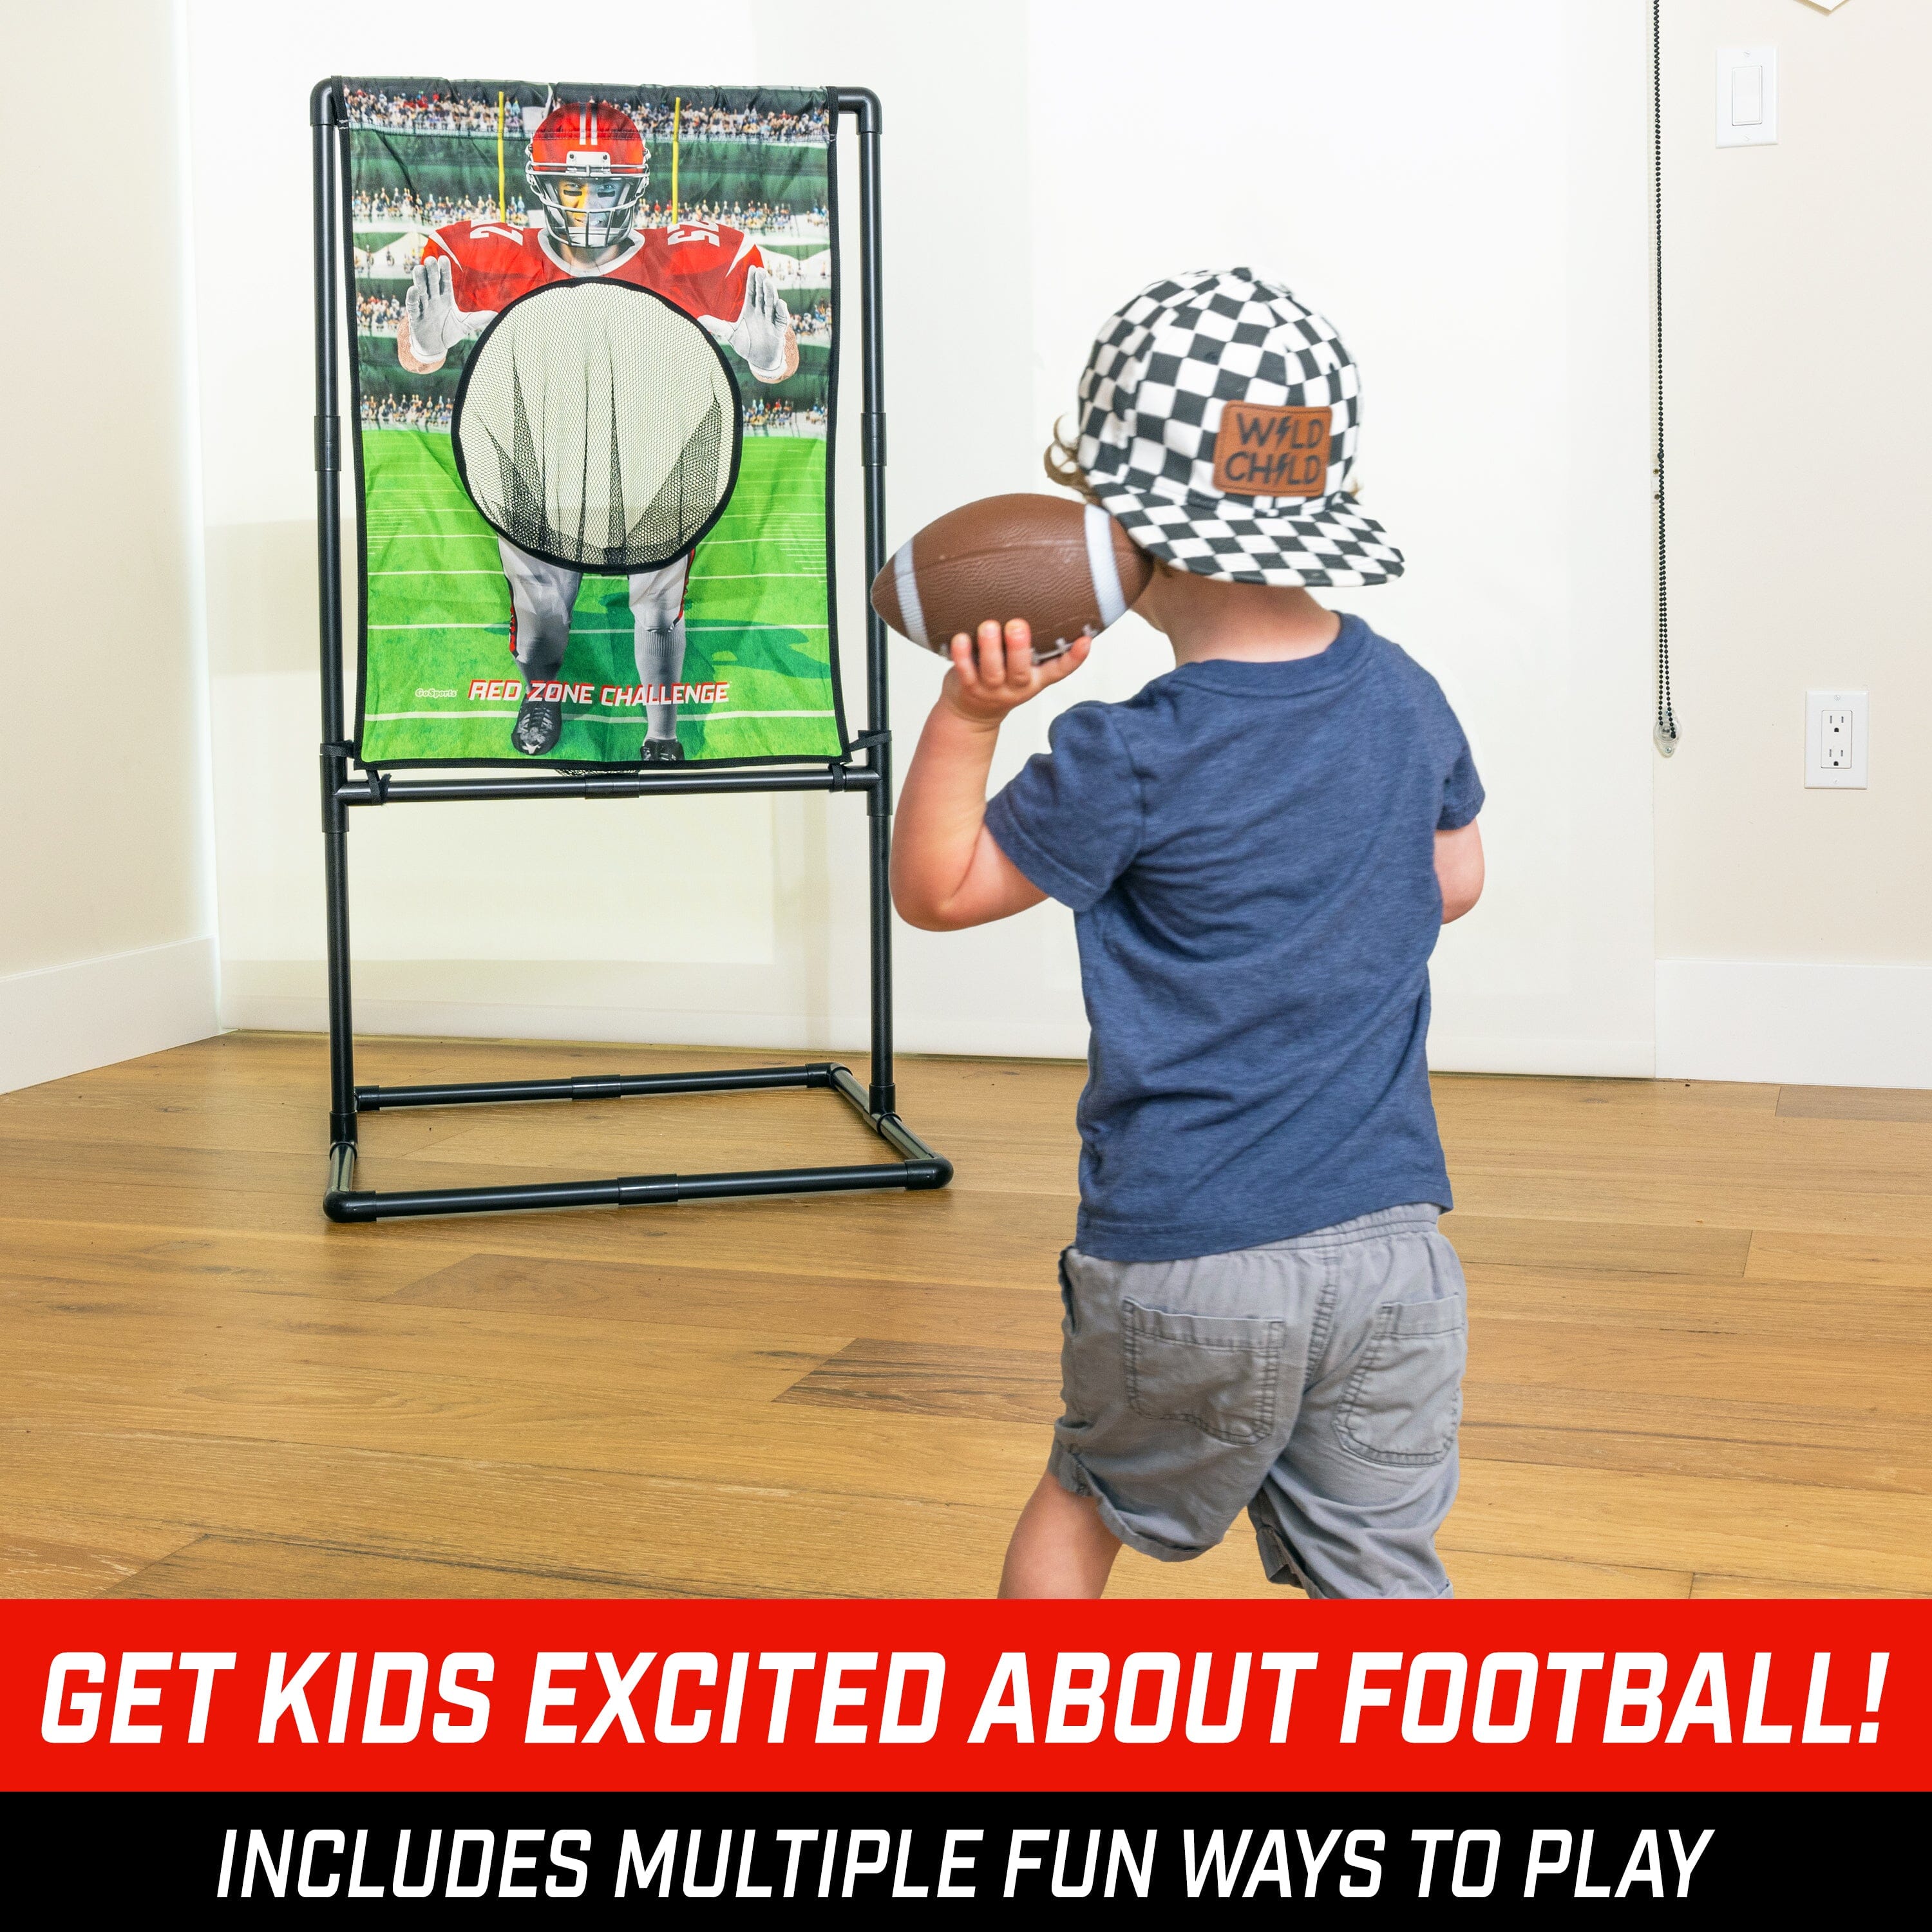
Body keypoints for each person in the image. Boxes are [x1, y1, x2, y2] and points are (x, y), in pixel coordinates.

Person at [891, 269, 1485, 1601]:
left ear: (1115, 529)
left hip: (1188, 1261)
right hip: (1397, 1256)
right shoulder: (1404, 696)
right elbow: (1456, 880)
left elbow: (938, 889)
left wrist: (970, 720)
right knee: (1378, 1571)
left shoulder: (1132, 754)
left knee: (1084, 1499)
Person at [395, 98, 797, 763]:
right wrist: (426, 346)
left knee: (659, 610)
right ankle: (543, 693)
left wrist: (769, 355)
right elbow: (415, 354)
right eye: (571, 185)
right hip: (539, 468)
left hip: (651, 461)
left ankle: (660, 735)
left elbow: (785, 364)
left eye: (603, 184)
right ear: (542, 188)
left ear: (632, 186)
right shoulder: (492, 257)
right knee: (543, 617)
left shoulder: (693, 262)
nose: (587, 201)